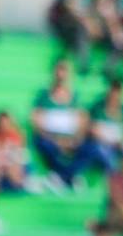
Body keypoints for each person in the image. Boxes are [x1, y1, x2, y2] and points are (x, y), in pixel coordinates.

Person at [30, 59, 90, 191]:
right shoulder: (43, 96)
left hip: (71, 139)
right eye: (59, 69)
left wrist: (73, 139)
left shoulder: (75, 97)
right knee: (41, 142)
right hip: (50, 137)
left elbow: (83, 122)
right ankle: (69, 176)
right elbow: (35, 121)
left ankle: (61, 176)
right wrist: (56, 140)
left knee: (90, 147)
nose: (61, 74)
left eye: (64, 70)